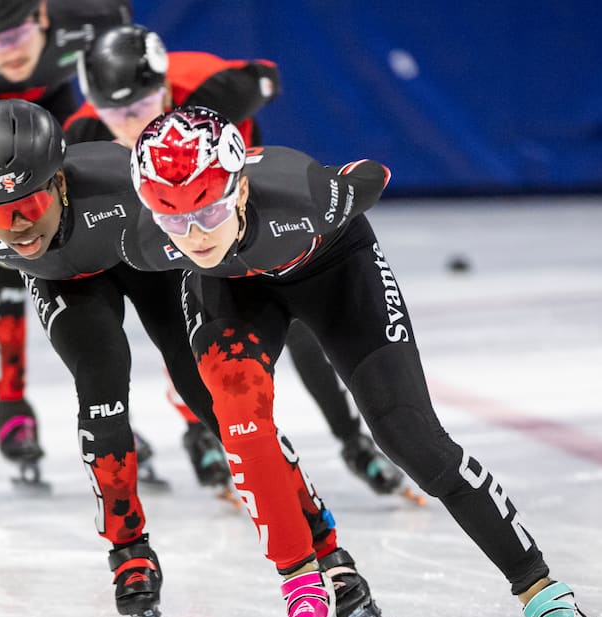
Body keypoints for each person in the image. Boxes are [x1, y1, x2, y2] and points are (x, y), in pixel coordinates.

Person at [123, 106, 602, 617]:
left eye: (211, 210)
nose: (194, 234)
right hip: (233, 296)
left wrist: (344, 182)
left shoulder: (307, 196)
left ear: (240, 188)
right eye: (174, 219)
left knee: (410, 435)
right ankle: (301, 586)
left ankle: (541, 594)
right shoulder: (145, 241)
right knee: (241, 422)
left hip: (335, 271)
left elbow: (373, 174)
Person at [0, 100, 399, 617]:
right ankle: (127, 550)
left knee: (220, 406)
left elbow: (226, 217)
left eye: (30, 202)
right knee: (101, 379)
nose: (20, 227)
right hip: (70, 287)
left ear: (59, 182)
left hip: (150, 264)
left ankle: (325, 549)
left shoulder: (122, 190)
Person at [65, 23, 410, 498]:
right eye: (112, 113)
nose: (127, 124)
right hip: (185, 233)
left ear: (164, 88)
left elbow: (266, 76)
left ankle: (353, 442)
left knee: (306, 332)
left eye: (141, 107)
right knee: (184, 322)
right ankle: (199, 429)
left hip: (245, 217)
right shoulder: (83, 133)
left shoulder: (214, 90)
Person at [0, 0, 131, 488]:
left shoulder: (95, 15)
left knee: (100, 241)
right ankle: (11, 402)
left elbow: (122, 92)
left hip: (55, 120)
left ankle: (120, 393)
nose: (6, 53)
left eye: (15, 35)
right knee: (7, 256)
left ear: (43, 15)